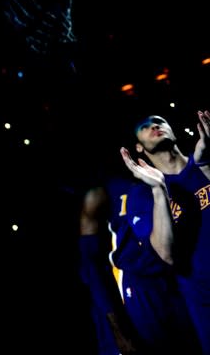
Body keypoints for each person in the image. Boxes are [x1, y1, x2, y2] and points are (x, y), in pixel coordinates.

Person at [78, 122, 202, 354]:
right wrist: (118, 331)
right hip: (138, 294)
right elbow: (92, 268)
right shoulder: (101, 194)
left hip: (178, 286)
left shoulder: (178, 177)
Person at [121, 112, 210, 354]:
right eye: (145, 125)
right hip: (205, 302)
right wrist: (160, 191)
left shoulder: (204, 161)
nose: (154, 126)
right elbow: (166, 254)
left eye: (159, 121)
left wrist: (205, 166)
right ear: (138, 147)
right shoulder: (142, 195)